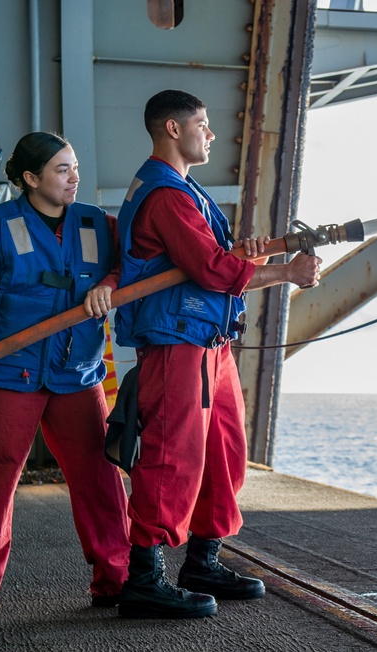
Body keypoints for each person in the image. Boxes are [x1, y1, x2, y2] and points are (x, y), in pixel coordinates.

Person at [112, 89, 321, 619]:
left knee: (226, 450)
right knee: (170, 454)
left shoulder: (185, 190)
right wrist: (288, 274)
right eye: (202, 125)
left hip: (209, 344)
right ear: (172, 130)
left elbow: (212, 259)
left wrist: (253, 253)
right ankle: (145, 578)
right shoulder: (167, 196)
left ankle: (203, 559)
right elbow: (211, 271)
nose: (210, 133)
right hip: (177, 344)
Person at [0, 132, 131, 621]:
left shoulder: (101, 226)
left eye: (75, 166)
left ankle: (115, 578)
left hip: (76, 374)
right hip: (8, 374)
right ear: (31, 179)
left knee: (99, 475)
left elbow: (136, 266)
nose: (75, 177)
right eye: (62, 169)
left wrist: (110, 284)